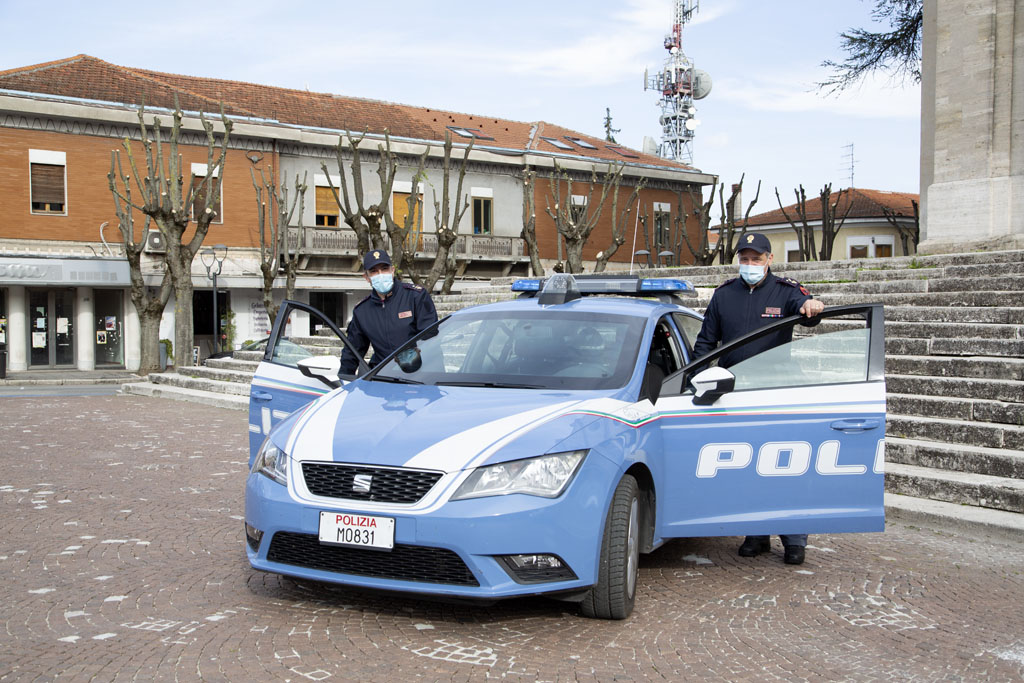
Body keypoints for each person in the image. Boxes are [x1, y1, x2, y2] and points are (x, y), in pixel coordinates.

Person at [692, 232, 825, 565]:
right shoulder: (723, 295)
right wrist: (693, 380)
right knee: (747, 466)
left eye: (756, 258)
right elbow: (706, 344)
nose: (749, 264)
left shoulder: (786, 292)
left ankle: (794, 539)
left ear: (769, 259)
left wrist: (813, 307)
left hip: (777, 394)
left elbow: (809, 312)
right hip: (735, 393)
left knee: (785, 467)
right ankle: (756, 534)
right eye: (744, 258)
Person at [339, 249, 438, 375]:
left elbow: (431, 338)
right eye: (374, 271)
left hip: (419, 373)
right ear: (367, 277)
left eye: (384, 269)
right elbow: (352, 351)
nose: (380, 274)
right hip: (383, 376)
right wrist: (344, 379)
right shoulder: (362, 311)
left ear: (392, 271)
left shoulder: (415, 297)